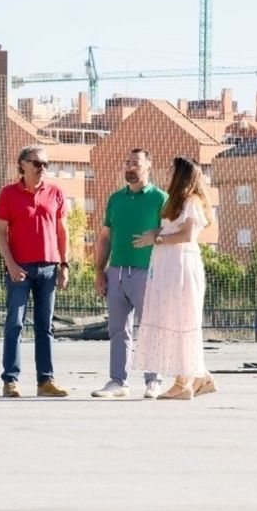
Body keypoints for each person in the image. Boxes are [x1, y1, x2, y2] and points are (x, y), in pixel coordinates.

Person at [131, 156, 218, 400]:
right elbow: (173, 228)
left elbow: (188, 235)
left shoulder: (191, 201)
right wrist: (156, 233)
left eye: (171, 169)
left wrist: (157, 239)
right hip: (168, 265)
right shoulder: (175, 201)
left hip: (181, 266)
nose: (167, 172)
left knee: (181, 319)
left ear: (181, 175)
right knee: (172, 317)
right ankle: (199, 377)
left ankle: (183, 383)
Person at [0, 145, 70, 398]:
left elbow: (62, 231)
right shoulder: (8, 194)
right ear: (23, 164)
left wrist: (64, 264)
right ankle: (10, 380)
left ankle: (45, 381)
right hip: (20, 269)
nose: (42, 168)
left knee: (45, 326)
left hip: (49, 267)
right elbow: (0, 233)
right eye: (37, 163)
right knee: (15, 323)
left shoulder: (55, 192)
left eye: (46, 164)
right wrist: (11, 265)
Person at [92, 149, 167, 399]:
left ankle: (153, 380)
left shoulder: (161, 199)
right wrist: (99, 271)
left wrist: (156, 236)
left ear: (148, 167)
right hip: (117, 272)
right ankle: (118, 382)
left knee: (150, 327)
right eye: (127, 163)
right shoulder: (115, 199)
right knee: (117, 330)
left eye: (136, 163)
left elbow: (173, 233)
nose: (130, 167)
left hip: (148, 273)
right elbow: (105, 236)